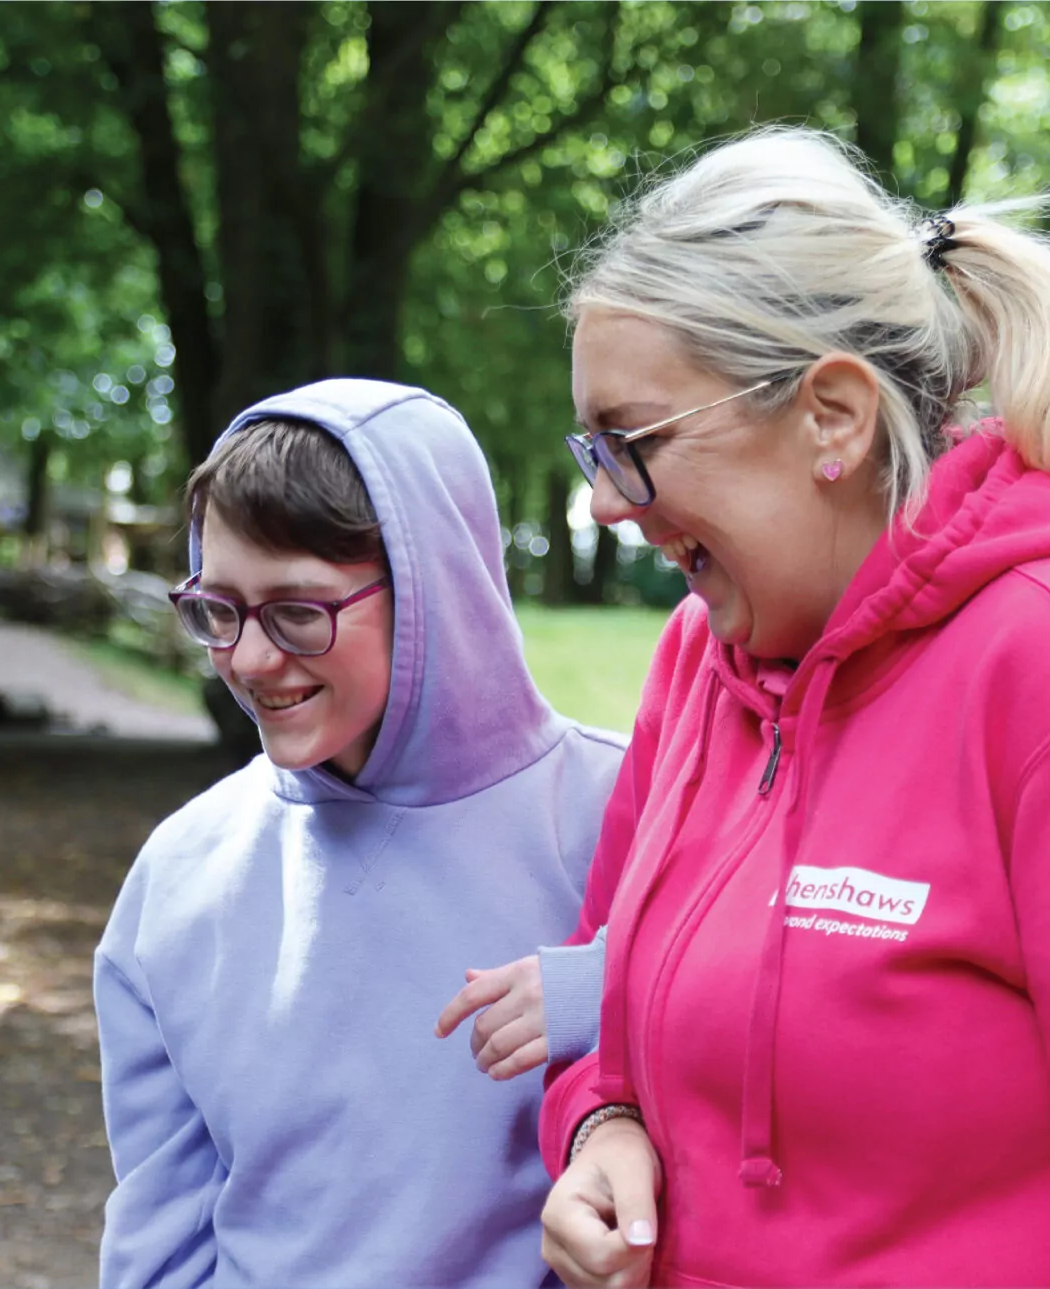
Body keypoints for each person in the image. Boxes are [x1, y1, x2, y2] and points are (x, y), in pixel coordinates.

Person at [534, 129, 1050, 1286]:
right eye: (591, 447)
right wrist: (599, 1125)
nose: (602, 502)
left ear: (832, 415)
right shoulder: (699, 659)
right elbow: (609, 1007)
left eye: (632, 442)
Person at [94, 380, 624, 1287]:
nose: (250, 657)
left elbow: (757, 1035)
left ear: (433, 586)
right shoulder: (182, 871)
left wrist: (604, 990)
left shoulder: (624, 811)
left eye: (298, 611)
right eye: (218, 608)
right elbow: (161, 1232)